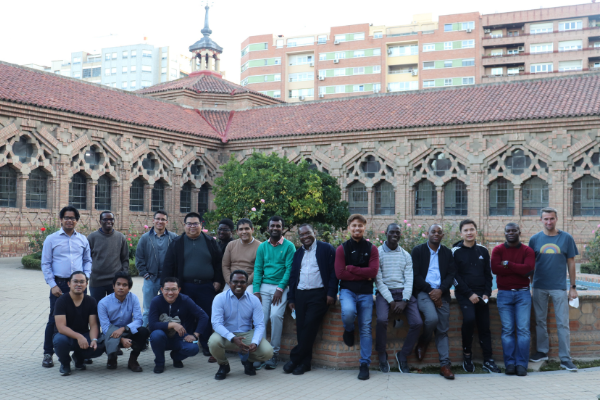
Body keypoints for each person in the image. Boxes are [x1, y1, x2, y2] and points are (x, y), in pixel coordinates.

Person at [161, 212, 224, 362]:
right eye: (189, 223)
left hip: (206, 286)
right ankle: (187, 343)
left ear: (201, 225)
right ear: (184, 225)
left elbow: (218, 263)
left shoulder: (210, 242)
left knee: (206, 316)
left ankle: (207, 344)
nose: (192, 226)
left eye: (195, 223)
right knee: (186, 316)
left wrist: (218, 280)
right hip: (185, 286)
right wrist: (166, 286)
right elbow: (168, 266)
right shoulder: (177, 243)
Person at [41, 206, 92, 368]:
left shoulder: (83, 239)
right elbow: (46, 263)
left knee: (83, 317)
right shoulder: (51, 239)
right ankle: (48, 353)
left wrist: (86, 277)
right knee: (54, 319)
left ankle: (81, 352)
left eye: (72, 218)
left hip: (79, 284)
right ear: (61, 219)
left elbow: (87, 260)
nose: (69, 220)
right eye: (66, 217)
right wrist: (52, 284)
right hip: (60, 284)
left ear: (77, 220)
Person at [529, 207, 579, 371]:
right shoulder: (535, 239)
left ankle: (565, 358)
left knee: (562, 323)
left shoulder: (566, 238)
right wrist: (531, 284)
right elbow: (530, 265)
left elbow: (571, 263)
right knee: (540, 321)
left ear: (556, 219)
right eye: (546, 219)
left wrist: (572, 287)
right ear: (541, 220)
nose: (549, 222)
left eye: (551, 218)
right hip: (539, 286)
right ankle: (542, 352)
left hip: (559, 287)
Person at [285, 224, 337, 375]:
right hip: (301, 294)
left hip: (318, 294)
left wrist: (331, 293)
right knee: (301, 328)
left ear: (314, 232)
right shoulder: (298, 253)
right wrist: (291, 298)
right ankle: (305, 363)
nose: (305, 237)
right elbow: (293, 276)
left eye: (308, 233)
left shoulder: (326, 249)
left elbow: (334, 273)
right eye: (301, 235)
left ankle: (295, 358)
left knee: (309, 326)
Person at [451, 219, 500, 374]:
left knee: (485, 326)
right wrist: (469, 294)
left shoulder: (483, 251)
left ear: (476, 231)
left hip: (482, 294)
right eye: (466, 230)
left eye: (471, 229)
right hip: (465, 294)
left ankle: (488, 360)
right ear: (461, 233)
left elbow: (488, 275)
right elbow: (454, 276)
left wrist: (486, 292)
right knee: (469, 320)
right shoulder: (455, 252)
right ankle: (467, 356)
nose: (469, 233)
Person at [335, 214, 379, 380]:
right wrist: (363, 274)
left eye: (360, 225)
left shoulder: (372, 249)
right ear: (349, 228)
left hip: (366, 293)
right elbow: (339, 273)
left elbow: (373, 272)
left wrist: (352, 269)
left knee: (366, 327)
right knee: (348, 313)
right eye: (354, 225)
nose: (357, 228)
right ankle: (349, 329)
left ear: (364, 227)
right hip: (347, 291)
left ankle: (364, 364)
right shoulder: (342, 249)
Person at [209, 270, 274, 380]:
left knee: (267, 352)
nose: (239, 284)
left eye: (242, 282)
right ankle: (223, 365)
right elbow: (216, 323)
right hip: (226, 334)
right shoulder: (220, 298)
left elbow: (259, 324)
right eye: (235, 281)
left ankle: (248, 361)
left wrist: (255, 342)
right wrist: (232, 338)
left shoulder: (254, 300)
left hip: (246, 334)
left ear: (247, 284)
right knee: (213, 342)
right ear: (229, 283)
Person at [375, 223, 422, 374]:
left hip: (403, 294)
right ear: (386, 234)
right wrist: (391, 301)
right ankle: (382, 353)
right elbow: (378, 280)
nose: (395, 235)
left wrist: (405, 300)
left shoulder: (405, 255)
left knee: (417, 322)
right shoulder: (378, 253)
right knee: (381, 320)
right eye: (392, 232)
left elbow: (409, 280)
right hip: (385, 293)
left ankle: (403, 355)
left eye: (398, 233)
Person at [412, 224, 456, 380]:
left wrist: (440, 291)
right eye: (433, 232)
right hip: (424, 292)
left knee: (443, 330)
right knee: (431, 319)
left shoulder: (447, 253)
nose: (436, 234)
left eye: (439, 232)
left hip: (442, 293)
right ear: (427, 234)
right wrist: (432, 292)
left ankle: (445, 365)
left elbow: (451, 275)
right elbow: (415, 276)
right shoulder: (418, 251)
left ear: (442, 235)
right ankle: (424, 340)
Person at [491, 223, 536, 377]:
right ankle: (509, 364)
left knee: (523, 330)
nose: (511, 233)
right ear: (504, 233)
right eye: (508, 231)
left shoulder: (527, 250)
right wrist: (518, 268)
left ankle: (522, 365)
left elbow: (528, 270)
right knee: (508, 330)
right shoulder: (498, 250)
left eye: (514, 230)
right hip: (504, 294)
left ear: (519, 232)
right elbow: (495, 269)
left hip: (523, 294)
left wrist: (508, 264)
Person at [253, 215, 295, 370]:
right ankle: (262, 353)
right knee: (261, 319)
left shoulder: (289, 246)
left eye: (278, 226)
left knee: (275, 315)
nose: (275, 228)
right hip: (264, 286)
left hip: (281, 287)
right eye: (273, 226)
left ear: (282, 228)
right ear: (268, 228)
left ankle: (274, 353)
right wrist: (256, 291)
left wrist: (280, 288)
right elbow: (258, 269)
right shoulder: (262, 247)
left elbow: (289, 269)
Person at [148, 277, 209, 373]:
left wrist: (195, 335)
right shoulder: (156, 301)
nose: (170, 293)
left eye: (174, 289)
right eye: (167, 289)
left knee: (193, 348)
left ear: (179, 290)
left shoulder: (185, 300)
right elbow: (152, 325)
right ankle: (159, 362)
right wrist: (172, 324)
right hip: (161, 336)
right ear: (162, 290)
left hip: (179, 336)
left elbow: (203, 316)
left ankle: (176, 357)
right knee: (156, 335)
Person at [52, 271, 105, 376]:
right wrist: (78, 336)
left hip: (84, 334)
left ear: (86, 284)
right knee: (59, 341)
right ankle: (65, 363)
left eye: (82, 282)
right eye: (75, 281)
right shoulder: (61, 301)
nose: (79, 284)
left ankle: (79, 357)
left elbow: (94, 324)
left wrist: (94, 339)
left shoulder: (91, 301)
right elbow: (61, 327)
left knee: (99, 345)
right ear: (69, 284)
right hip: (65, 335)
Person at [98, 271, 149, 372]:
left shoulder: (133, 298)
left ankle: (133, 360)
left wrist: (123, 329)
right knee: (105, 336)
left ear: (129, 288)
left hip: (127, 330)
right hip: (111, 332)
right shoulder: (103, 303)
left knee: (144, 331)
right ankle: (112, 358)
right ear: (113, 286)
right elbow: (105, 328)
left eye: (124, 285)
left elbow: (139, 320)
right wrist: (121, 339)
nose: (121, 287)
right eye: (118, 284)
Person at [136, 210, 178, 326]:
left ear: (167, 222)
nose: (160, 221)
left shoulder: (174, 238)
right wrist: (145, 274)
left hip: (168, 280)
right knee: (148, 310)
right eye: (158, 219)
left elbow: (179, 258)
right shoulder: (145, 238)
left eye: (163, 219)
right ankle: (144, 336)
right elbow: (139, 258)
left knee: (169, 309)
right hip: (151, 279)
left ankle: (167, 334)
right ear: (153, 221)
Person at [87, 210, 129, 302]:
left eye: (111, 219)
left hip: (115, 282)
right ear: (100, 221)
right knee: (96, 309)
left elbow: (125, 259)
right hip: (97, 281)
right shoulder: (92, 238)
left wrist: (124, 275)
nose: (109, 221)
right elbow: (86, 259)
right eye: (105, 219)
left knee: (115, 310)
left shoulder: (120, 237)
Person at [222, 218, 261, 292]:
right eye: (241, 229)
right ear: (237, 231)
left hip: (249, 283)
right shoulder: (231, 245)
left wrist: (245, 283)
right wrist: (230, 282)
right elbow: (225, 265)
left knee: (247, 298)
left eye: (247, 229)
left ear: (252, 229)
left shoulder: (260, 246)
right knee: (224, 298)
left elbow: (258, 269)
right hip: (232, 281)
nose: (244, 232)